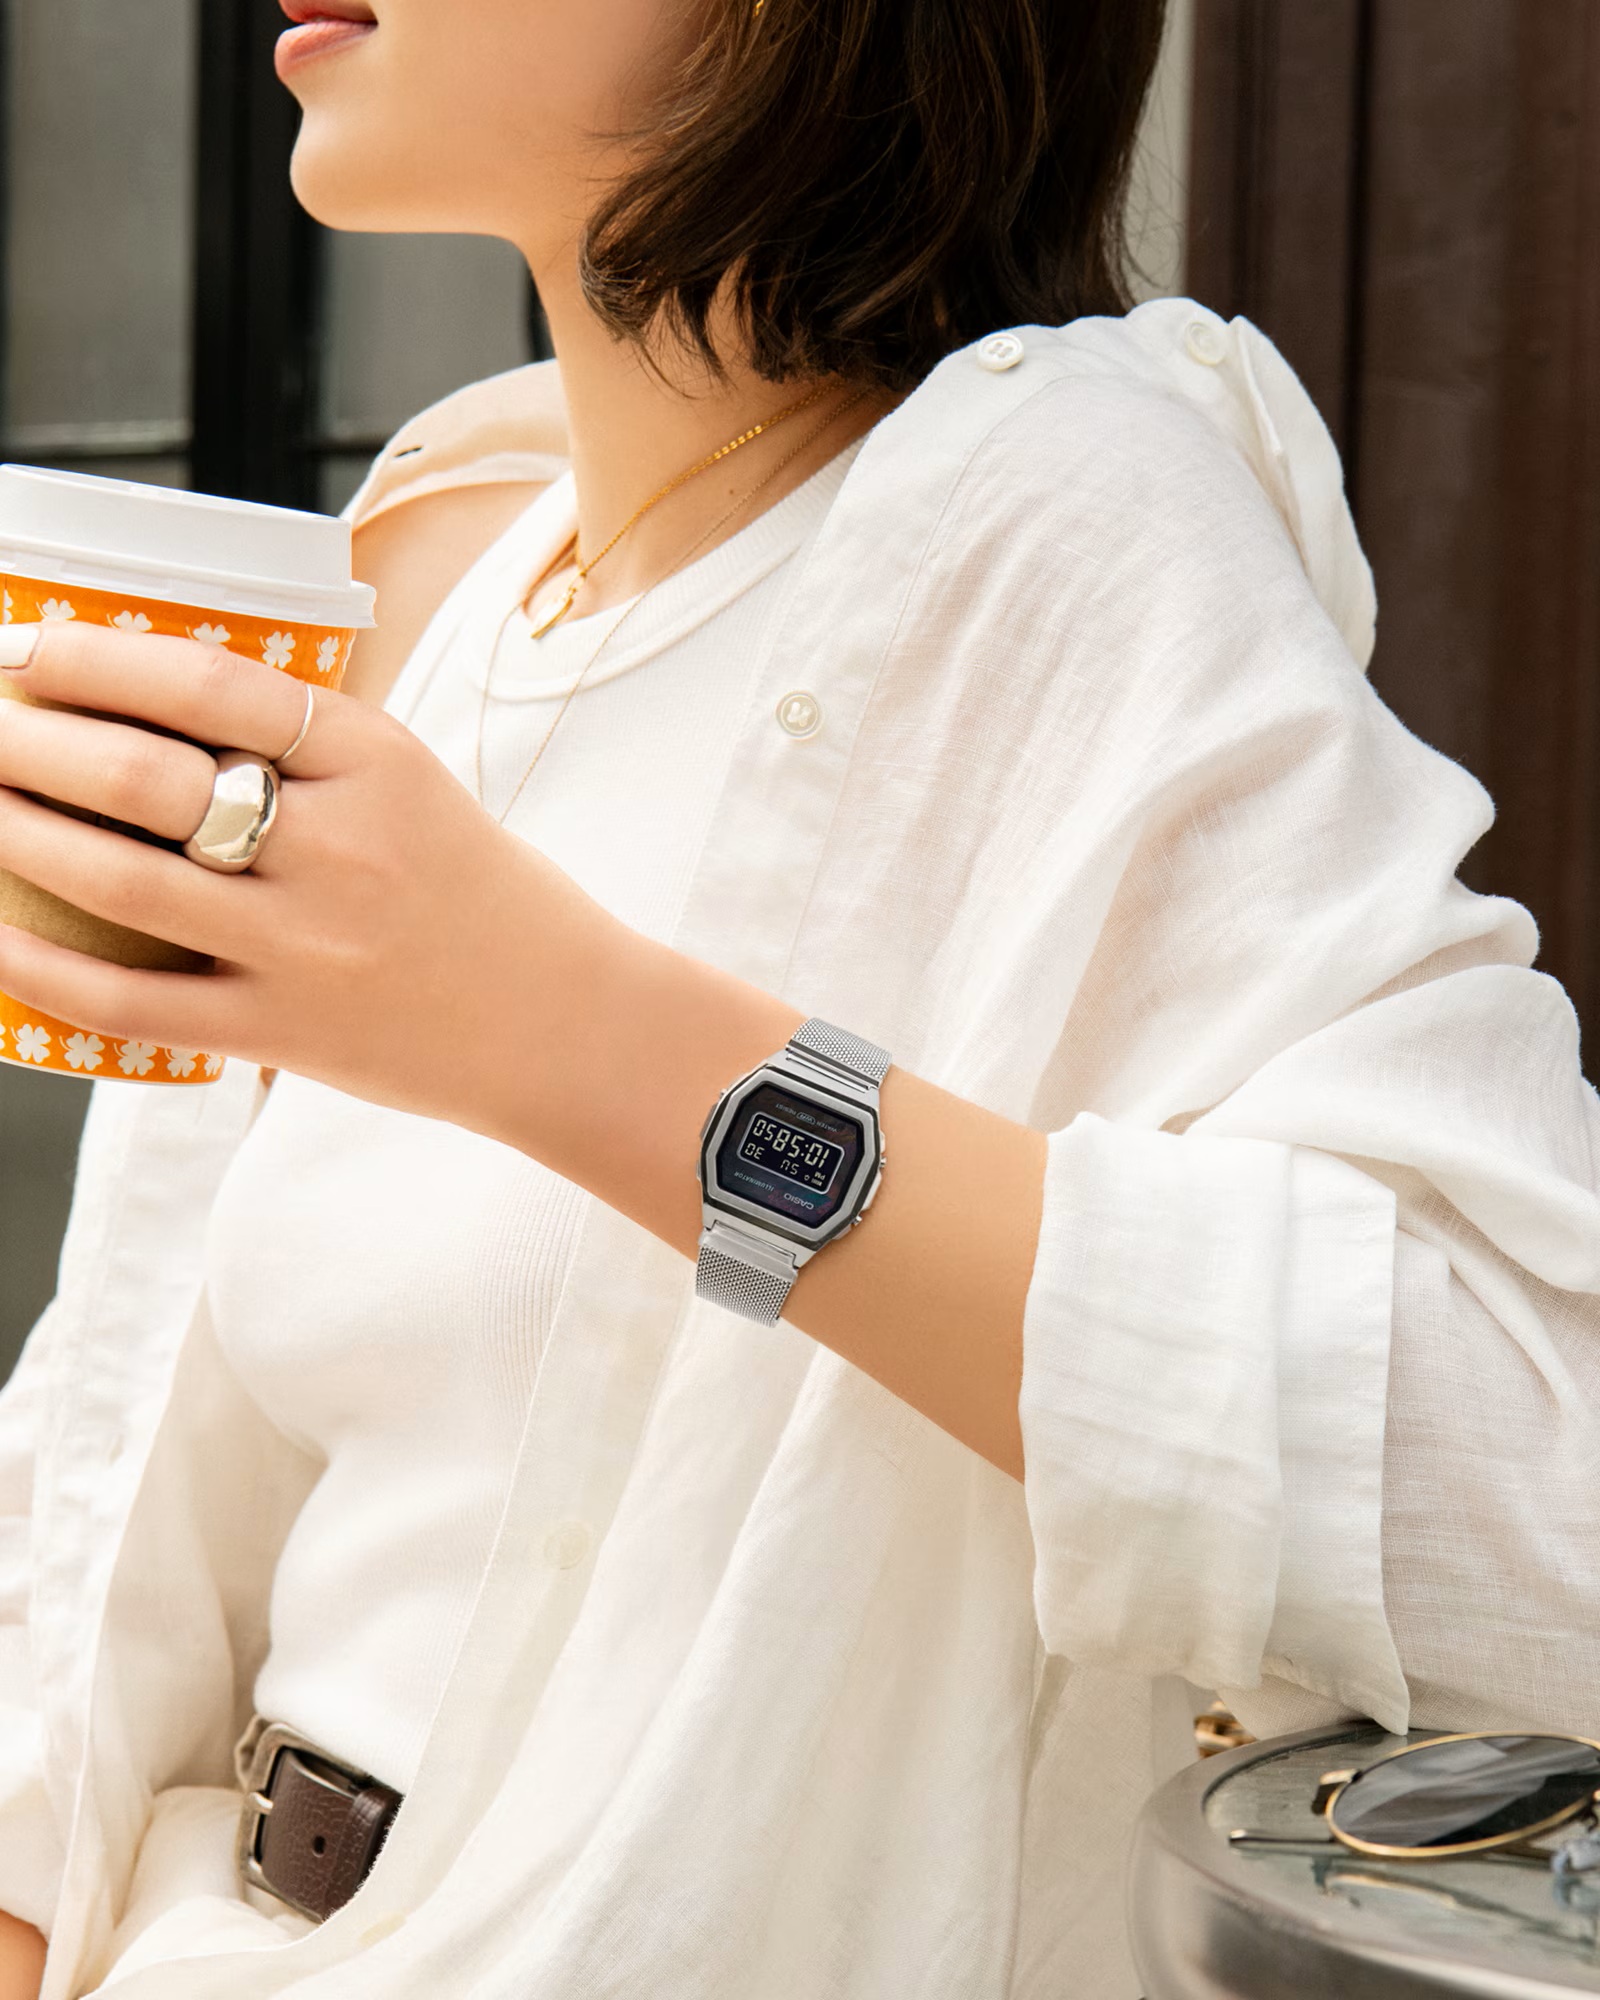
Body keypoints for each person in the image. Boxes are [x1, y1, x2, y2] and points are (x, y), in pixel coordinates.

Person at [0, 0, 1596, 1992]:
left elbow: (1539, 1501)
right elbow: (116, 1484)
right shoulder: (441, 569)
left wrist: (560, 1033)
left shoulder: (1070, 515)